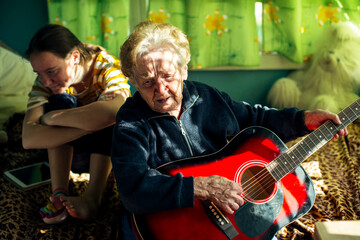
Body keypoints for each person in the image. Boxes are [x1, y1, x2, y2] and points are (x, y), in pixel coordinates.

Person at [111, 21, 347, 239]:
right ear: (133, 80)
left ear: (184, 70)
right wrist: (200, 187)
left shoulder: (206, 97)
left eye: (168, 76)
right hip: (167, 224)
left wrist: (303, 119)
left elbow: (256, 118)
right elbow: (133, 187)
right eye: (148, 82)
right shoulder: (131, 121)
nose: (161, 90)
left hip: (233, 213)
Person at [22, 24, 130, 224]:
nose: (45, 82)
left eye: (52, 71)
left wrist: (51, 118)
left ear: (74, 57)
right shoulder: (46, 81)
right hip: (71, 155)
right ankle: (59, 192)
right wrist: (90, 122)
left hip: (106, 154)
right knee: (61, 101)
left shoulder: (106, 66)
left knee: (108, 115)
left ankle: (92, 199)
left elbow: (116, 112)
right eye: (39, 73)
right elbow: (28, 138)